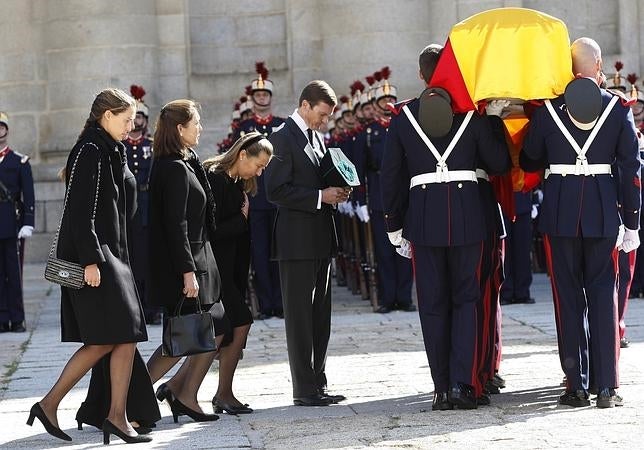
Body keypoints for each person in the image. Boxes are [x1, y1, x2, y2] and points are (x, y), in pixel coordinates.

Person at [380, 46, 511, 411]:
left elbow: (390, 176)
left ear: (422, 76)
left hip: (423, 221)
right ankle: (462, 385)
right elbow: (499, 164)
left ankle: (440, 388)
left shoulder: (404, 117)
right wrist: (494, 120)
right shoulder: (473, 114)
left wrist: (394, 225)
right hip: (470, 218)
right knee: (468, 300)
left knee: (434, 306)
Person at [520, 37, 640, 408]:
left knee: (568, 298)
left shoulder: (546, 112)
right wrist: (632, 222)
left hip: (560, 213)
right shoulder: (618, 109)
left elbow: (529, 161)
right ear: (598, 64)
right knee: (604, 295)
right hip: (603, 213)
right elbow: (631, 172)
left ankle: (575, 384)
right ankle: (606, 387)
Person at [28, 88, 151, 444]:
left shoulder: (111, 148)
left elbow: (123, 204)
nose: (131, 125)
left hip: (115, 256)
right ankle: (54, 404)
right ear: (106, 115)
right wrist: (90, 262)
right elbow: (80, 214)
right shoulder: (90, 150)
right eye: (126, 118)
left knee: (122, 337)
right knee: (105, 340)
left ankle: (114, 415)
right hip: (98, 259)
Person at [265, 80, 350, 406]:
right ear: (305, 105)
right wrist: (319, 196)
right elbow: (276, 190)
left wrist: (337, 191)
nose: (324, 121)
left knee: (319, 317)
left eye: (328, 117)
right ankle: (303, 388)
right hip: (296, 242)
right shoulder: (282, 138)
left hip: (319, 239)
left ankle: (318, 382)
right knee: (300, 318)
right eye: (322, 114)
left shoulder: (314, 138)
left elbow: (320, 179)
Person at [145, 99, 225, 424]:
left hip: (197, 259)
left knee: (211, 327)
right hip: (186, 266)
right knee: (178, 338)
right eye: (196, 123)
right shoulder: (174, 168)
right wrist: (187, 271)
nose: (200, 128)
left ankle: (184, 395)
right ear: (180, 129)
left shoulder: (184, 161)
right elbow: (174, 225)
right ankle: (128, 396)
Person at [203, 131, 273, 414]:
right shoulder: (217, 178)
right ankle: (189, 388)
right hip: (216, 269)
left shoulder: (236, 182)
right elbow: (211, 230)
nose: (260, 171)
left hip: (232, 270)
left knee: (230, 330)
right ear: (242, 154)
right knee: (236, 323)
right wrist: (241, 219)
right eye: (259, 165)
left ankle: (219, 393)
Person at [234, 62, 285, 319]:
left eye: (265, 95)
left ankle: (282, 303)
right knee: (261, 254)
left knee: (280, 253)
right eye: (258, 95)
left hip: (279, 199)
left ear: (271, 98)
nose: (262, 98)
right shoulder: (243, 130)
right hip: (255, 198)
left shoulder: (282, 125)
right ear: (253, 99)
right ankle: (267, 304)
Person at [124, 85, 160, 325]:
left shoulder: (152, 145)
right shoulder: (122, 146)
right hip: (129, 207)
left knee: (149, 259)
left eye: (140, 116)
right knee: (132, 259)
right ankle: (135, 307)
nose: (137, 121)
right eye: (134, 116)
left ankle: (152, 307)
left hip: (148, 205)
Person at [0, 111, 35, 333]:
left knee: (14, 273)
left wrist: (28, 222)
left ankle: (17, 318)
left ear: (7, 131)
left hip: (12, 224)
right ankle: (2, 318)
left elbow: (28, 194)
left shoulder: (19, 161)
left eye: (1, 127)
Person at [499, 191, 535, 305]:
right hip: (503, 199)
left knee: (523, 250)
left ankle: (522, 291)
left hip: (522, 196)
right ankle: (506, 291)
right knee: (505, 252)